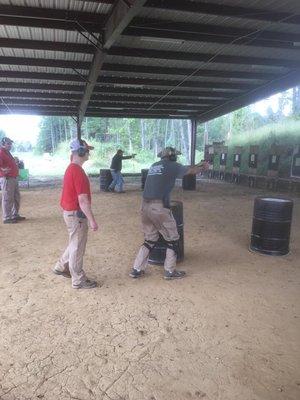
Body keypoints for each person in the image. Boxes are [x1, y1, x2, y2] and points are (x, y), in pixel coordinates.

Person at [130, 147, 208, 280]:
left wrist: (199, 164)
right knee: (173, 239)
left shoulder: (155, 165)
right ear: (172, 157)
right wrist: (203, 167)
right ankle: (170, 271)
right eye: (175, 156)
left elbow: (184, 167)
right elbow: (191, 170)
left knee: (150, 239)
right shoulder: (172, 165)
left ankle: (136, 269)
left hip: (144, 206)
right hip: (158, 207)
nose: (176, 158)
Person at [53, 139, 98, 290]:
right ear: (80, 152)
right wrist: (92, 220)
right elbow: (83, 200)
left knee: (74, 242)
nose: (88, 153)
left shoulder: (71, 168)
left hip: (70, 213)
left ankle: (61, 266)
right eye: (87, 150)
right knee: (78, 246)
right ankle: (78, 279)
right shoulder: (77, 171)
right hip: (76, 215)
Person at [0, 137, 26, 224]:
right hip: (7, 178)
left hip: (13, 178)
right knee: (7, 198)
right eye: (8, 144)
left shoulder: (7, 152)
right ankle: (7, 217)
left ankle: (15, 214)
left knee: (16, 197)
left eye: (11, 144)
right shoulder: (1, 152)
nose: (10, 145)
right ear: (3, 144)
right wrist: (2, 170)